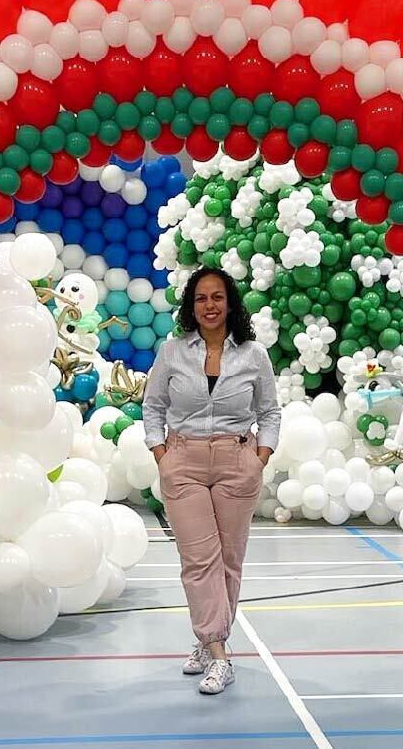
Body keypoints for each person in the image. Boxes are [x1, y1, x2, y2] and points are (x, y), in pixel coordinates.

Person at [142, 266, 281, 695]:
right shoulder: (173, 351)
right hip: (182, 463)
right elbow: (153, 406)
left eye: (217, 297)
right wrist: (162, 455)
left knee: (229, 562)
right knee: (199, 559)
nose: (209, 306)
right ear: (191, 305)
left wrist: (260, 458)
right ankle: (219, 653)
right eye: (201, 298)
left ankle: (207, 639)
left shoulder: (254, 354)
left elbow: (270, 411)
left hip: (237, 461)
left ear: (230, 303)